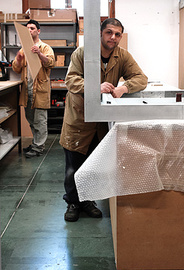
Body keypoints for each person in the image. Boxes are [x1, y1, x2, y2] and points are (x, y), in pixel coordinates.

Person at [60, 18, 148, 222]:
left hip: (101, 122)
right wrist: (94, 87)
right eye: (109, 32)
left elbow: (141, 78)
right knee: (74, 166)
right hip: (79, 118)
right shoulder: (82, 53)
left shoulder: (122, 55)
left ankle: (87, 201)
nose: (113, 37)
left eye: (117, 34)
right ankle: (73, 202)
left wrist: (124, 87)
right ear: (101, 33)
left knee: (93, 164)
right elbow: (71, 80)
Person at [11, 19, 55, 158]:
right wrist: (18, 59)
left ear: (38, 31)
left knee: (40, 120)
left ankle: (38, 147)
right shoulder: (23, 49)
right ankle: (36, 143)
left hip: (40, 90)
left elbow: (51, 63)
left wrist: (39, 54)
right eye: (28, 28)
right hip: (27, 90)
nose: (29, 30)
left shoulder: (45, 47)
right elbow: (16, 69)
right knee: (30, 119)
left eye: (32, 28)